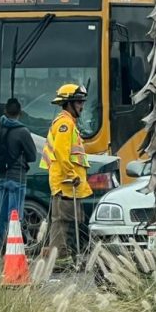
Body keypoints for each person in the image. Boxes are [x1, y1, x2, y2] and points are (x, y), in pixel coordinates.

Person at [40, 84, 92, 267]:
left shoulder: (69, 122)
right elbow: (62, 153)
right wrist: (71, 175)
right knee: (63, 223)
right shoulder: (64, 123)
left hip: (70, 183)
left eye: (82, 102)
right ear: (68, 103)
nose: (82, 106)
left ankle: (65, 257)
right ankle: (61, 260)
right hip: (66, 182)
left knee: (69, 222)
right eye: (78, 102)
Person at [0, 98, 38, 256]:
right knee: (15, 215)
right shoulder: (22, 131)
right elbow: (32, 156)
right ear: (20, 112)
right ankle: (14, 251)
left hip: (1, 177)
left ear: (5, 111)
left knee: (1, 213)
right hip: (17, 178)